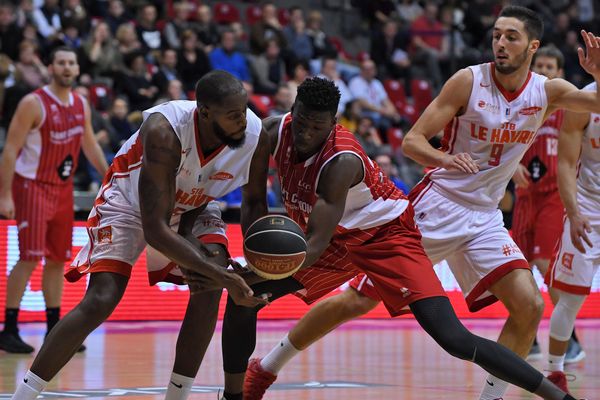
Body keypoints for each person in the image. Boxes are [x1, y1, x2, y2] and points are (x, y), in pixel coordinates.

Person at [243, 7, 600, 400]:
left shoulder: (548, 92)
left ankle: (491, 398)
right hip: (437, 205)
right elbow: (413, 141)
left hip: (484, 217)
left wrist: (598, 74)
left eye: (511, 37)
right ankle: (265, 367)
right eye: (497, 34)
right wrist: (445, 159)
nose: (500, 43)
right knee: (357, 300)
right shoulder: (468, 81)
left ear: (532, 45)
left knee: (529, 305)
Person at [9, 70, 270, 400]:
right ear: (203, 112)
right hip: (130, 202)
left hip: (193, 205)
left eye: (244, 111)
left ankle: (176, 396)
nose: (242, 121)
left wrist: (254, 260)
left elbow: (256, 201)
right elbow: (156, 229)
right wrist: (222, 274)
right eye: (233, 115)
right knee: (102, 298)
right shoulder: (164, 130)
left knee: (210, 286)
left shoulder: (254, 133)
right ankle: (24, 395)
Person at [0, 46, 108, 354]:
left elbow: (89, 145)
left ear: (77, 69)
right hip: (31, 186)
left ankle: (54, 330)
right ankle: (8, 329)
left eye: (71, 63)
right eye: (61, 62)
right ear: (50, 67)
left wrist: (111, 176)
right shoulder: (33, 103)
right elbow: (10, 149)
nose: (66, 67)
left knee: (58, 260)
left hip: (62, 189)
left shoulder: (81, 104)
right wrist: (4, 193)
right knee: (30, 257)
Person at [511, 45, 584, 363]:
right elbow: (500, 142)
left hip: (557, 195)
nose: (543, 71)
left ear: (561, 74)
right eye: (538, 66)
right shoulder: (520, 106)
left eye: (550, 67)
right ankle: (530, 336)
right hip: (526, 197)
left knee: (543, 262)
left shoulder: (573, 107)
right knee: (516, 269)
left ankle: (570, 339)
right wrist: (511, 165)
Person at [543, 81, 600, 393]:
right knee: (571, 299)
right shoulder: (584, 99)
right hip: (588, 211)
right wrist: (574, 212)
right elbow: (565, 162)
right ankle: (555, 372)